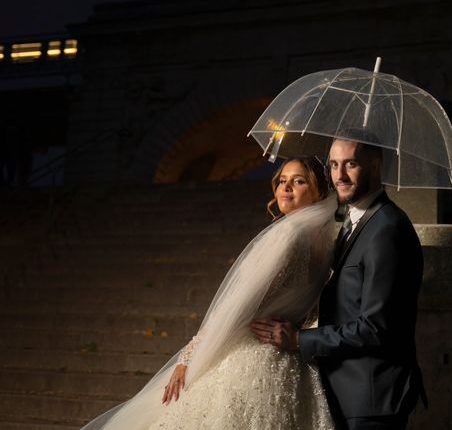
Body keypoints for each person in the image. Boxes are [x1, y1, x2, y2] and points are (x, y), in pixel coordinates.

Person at [81, 157, 337, 430]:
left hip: (249, 355)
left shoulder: (287, 234)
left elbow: (237, 305)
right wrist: (298, 335)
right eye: (282, 181)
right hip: (292, 361)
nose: (286, 188)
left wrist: (189, 358)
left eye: (298, 181)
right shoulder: (329, 241)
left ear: (319, 191)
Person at [252, 137, 426, 430]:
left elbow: (376, 327)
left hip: (370, 398)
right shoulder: (355, 222)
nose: (340, 175)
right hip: (347, 391)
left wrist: (299, 340)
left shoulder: (387, 229)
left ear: (375, 165)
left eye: (351, 164)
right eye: (333, 165)